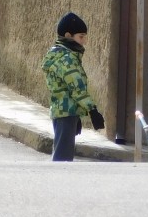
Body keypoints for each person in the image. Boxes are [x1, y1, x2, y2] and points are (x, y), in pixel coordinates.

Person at [41, 11, 105, 162]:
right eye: (81, 37)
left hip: (62, 111)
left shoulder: (58, 55)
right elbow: (77, 89)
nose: (84, 41)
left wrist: (76, 114)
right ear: (68, 36)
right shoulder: (67, 59)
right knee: (62, 158)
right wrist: (92, 110)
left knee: (61, 152)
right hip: (66, 113)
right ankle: (58, 182)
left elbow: (66, 89)